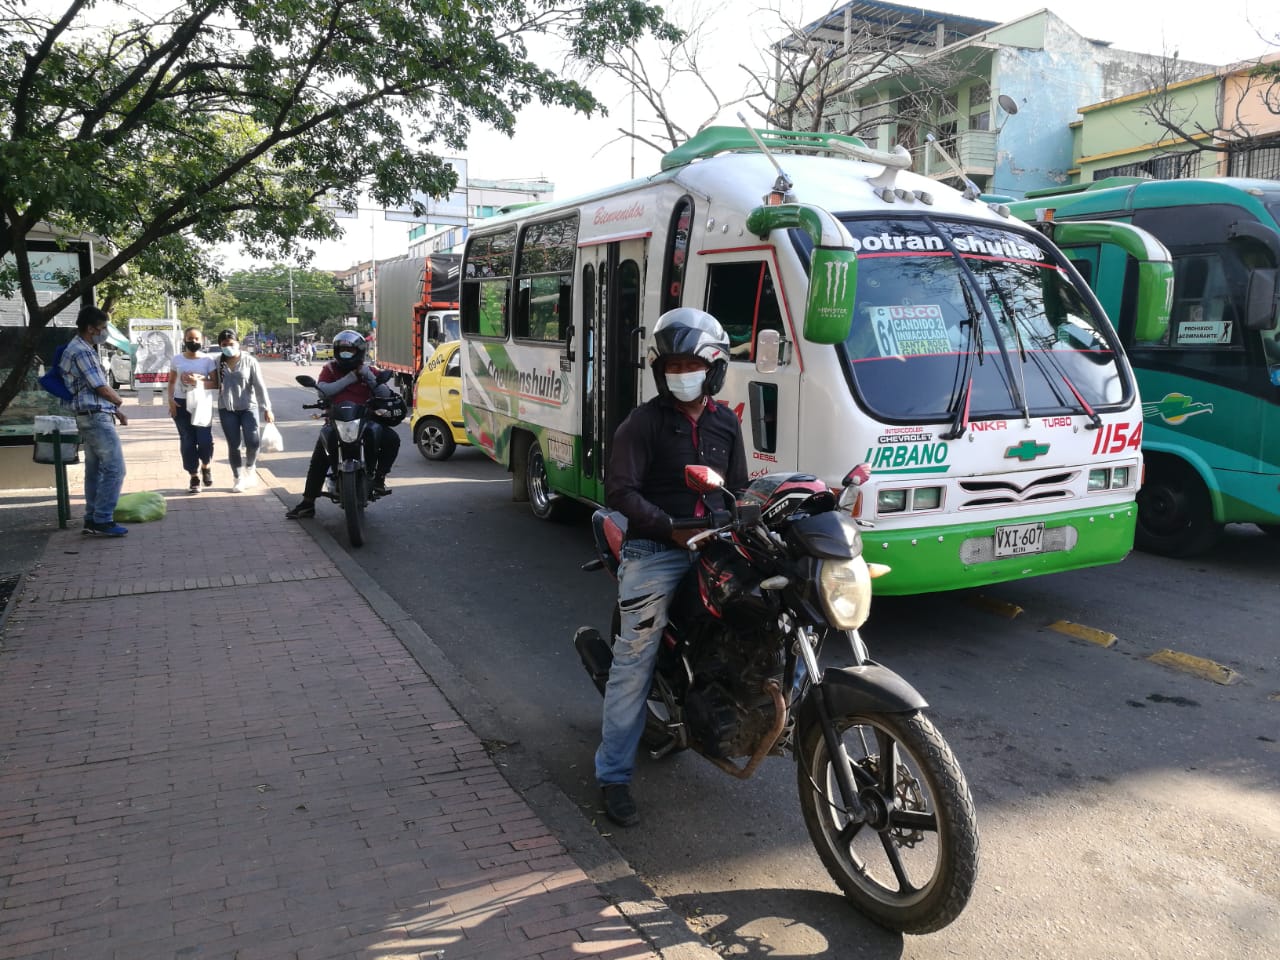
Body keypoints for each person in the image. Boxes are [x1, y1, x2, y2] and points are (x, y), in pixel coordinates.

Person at [594, 308, 747, 827]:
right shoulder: (643, 422)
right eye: (672, 365)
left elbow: (739, 490)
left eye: (691, 364)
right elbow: (620, 491)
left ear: (715, 367)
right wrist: (669, 527)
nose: (682, 374)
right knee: (634, 659)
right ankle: (612, 775)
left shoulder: (727, 423)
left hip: (715, 547)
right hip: (655, 551)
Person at [285, 330, 402, 518]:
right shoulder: (330, 369)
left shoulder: (368, 370)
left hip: (365, 421)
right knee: (319, 458)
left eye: (350, 350)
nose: (346, 353)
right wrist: (351, 378)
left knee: (392, 439)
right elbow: (324, 392)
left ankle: (378, 478)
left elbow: (385, 394)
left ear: (360, 351)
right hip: (336, 421)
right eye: (342, 350)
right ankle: (308, 502)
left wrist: (369, 377)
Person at [59, 305, 130, 537]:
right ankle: (102, 518)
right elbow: (99, 387)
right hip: (95, 418)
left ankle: (92, 517)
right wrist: (118, 402)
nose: (104, 333)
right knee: (115, 468)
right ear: (90, 328)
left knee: (96, 470)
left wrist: (114, 410)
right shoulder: (81, 351)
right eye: (102, 328)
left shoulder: (83, 348)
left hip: (92, 415)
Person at [212, 328, 274, 492]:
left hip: (249, 407)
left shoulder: (250, 361)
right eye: (224, 344)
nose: (228, 347)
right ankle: (238, 478)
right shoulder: (218, 362)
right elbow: (212, 383)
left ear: (238, 343)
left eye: (231, 344)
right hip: (226, 408)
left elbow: (259, 386)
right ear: (220, 345)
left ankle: (250, 467)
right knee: (234, 445)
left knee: (253, 442)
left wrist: (266, 408)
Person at [166, 327, 218, 493]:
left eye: (196, 339)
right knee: (187, 441)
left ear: (201, 340)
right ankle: (194, 476)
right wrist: (171, 400)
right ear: (184, 339)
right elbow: (172, 382)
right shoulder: (177, 359)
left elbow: (215, 383)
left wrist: (198, 382)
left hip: (201, 403)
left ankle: (206, 466)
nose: (193, 342)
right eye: (190, 338)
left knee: (204, 440)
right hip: (181, 404)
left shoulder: (208, 360)